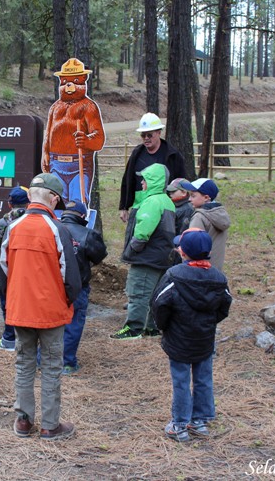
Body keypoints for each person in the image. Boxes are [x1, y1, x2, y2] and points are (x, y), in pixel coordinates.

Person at [0, 173, 82, 441]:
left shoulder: (14, 227)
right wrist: (67, 302)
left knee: (23, 364)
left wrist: (12, 301)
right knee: (51, 366)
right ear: (54, 198)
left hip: (21, 309)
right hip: (50, 311)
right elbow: (71, 277)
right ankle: (49, 425)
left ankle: (23, 421)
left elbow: (3, 270)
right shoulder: (58, 230)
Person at [151, 228, 232, 442]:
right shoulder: (218, 277)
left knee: (181, 380)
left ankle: (179, 424)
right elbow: (225, 306)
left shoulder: (174, 275)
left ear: (183, 252)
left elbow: (159, 304)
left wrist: (164, 326)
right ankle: (199, 421)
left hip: (179, 339)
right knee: (204, 378)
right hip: (204, 338)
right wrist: (210, 323)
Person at [110, 163, 176, 340]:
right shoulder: (167, 201)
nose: (142, 184)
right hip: (162, 256)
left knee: (138, 293)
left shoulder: (152, 202)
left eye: (145, 180)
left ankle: (133, 329)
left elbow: (143, 231)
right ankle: (151, 327)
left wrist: (134, 248)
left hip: (147, 258)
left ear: (153, 181)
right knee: (155, 294)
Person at [41, 57, 106, 204]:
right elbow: (48, 133)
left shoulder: (89, 107)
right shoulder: (55, 108)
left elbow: (99, 140)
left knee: (77, 205)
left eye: (75, 81)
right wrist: (45, 153)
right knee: (56, 203)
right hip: (56, 164)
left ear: (84, 80)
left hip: (79, 164)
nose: (68, 86)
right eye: (64, 82)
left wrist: (87, 140)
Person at [57, 200, 108, 374]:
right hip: (78, 286)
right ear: (83, 216)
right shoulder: (88, 234)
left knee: (49, 323)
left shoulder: (51, 228)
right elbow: (99, 255)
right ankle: (67, 363)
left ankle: (43, 359)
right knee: (73, 323)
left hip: (49, 286)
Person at [118, 112, 187, 223]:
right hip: (140, 209)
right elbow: (127, 180)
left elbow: (181, 182)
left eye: (149, 135)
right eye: (143, 135)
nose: (146, 138)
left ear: (159, 133)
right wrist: (124, 206)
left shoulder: (172, 155)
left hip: (165, 210)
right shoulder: (137, 153)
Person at [0, 186, 30, 351]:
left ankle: (10, 339)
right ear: (28, 203)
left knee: (7, 304)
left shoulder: (2, 224)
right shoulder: (35, 222)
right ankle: (29, 339)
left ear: (9, 204)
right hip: (30, 274)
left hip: (7, 273)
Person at [181, 178, 230, 272]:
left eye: (193, 196)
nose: (189, 199)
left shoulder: (199, 217)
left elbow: (192, 245)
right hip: (215, 270)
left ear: (206, 198)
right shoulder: (221, 214)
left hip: (198, 270)